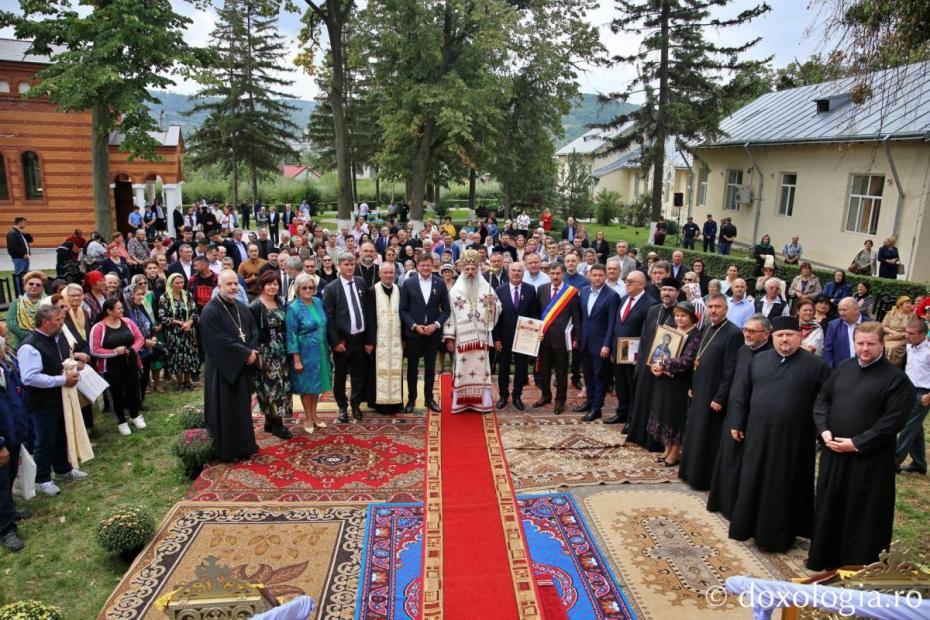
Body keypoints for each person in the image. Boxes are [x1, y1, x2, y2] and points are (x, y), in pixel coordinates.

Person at [807, 321, 913, 570]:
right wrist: (824, 430)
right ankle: (824, 556)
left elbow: (892, 422)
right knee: (829, 505)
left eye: (870, 344)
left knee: (862, 512)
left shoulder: (897, 380)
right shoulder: (844, 368)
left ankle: (858, 565)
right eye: (860, 343)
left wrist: (857, 443)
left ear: (881, 344)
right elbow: (822, 400)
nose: (864, 348)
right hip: (834, 453)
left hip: (869, 460)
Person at [727, 315, 831, 551]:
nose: (785, 339)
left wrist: (821, 431)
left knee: (784, 486)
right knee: (754, 480)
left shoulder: (816, 366)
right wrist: (737, 422)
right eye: (780, 335)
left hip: (794, 439)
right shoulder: (759, 360)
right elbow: (743, 394)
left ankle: (781, 536)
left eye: (790, 335)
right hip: (758, 435)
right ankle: (749, 528)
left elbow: (825, 402)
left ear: (800, 337)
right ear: (772, 337)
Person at [17, 305, 89, 497]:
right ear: (45, 322)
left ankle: (63, 469)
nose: (61, 323)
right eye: (58, 320)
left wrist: (74, 367)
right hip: (41, 402)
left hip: (61, 398)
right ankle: (42, 479)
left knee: (61, 434)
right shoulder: (30, 346)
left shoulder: (57, 339)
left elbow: (61, 360)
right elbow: (30, 377)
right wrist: (62, 380)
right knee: (45, 439)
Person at [707, 313, 772, 518]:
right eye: (745, 330)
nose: (747, 334)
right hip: (734, 411)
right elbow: (734, 377)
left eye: (752, 331)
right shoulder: (743, 350)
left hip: (753, 417)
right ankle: (725, 502)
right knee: (728, 459)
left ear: (766, 334)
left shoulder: (769, 355)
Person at [677, 293, 743, 489]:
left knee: (707, 434)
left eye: (718, 307)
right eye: (710, 306)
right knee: (695, 431)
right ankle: (689, 472)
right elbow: (697, 360)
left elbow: (731, 370)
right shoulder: (705, 327)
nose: (713, 310)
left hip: (714, 394)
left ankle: (703, 478)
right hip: (700, 389)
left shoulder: (733, 333)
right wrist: (692, 385)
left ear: (726, 309)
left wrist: (719, 397)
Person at [200, 270, 260, 462]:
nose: (233, 287)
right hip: (222, 369)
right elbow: (218, 341)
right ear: (219, 287)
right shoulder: (210, 311)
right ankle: (228, 450)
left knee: (242, 409)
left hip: (241, 365)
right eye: (229, 284)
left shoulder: (242, 307)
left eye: (236, 283)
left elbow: (252, 331)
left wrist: (252, 351)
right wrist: (245, 353)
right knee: (226, 409)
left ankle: (245, 445)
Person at [442, 250, 502, 413]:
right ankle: (461, 403)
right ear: (462, 269)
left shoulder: (486, 286)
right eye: (467, 269)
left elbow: (498, 308)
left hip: (481, 337)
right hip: (463, 339)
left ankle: (480, 402)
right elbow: (449, 315)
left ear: (478, 269)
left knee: (481, 369)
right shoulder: (455, 290)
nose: (470, 272)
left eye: (473, 269)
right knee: (462, 369)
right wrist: (449, 337)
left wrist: (492, 305)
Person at [626, 278, 680, 451]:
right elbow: (644, 338)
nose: (667, 293)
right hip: (646, 364)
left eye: (671, 290)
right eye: (664, 289)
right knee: (643, 399)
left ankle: (656, 442)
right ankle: (639, 435)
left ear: (677, 293)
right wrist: (640, 363)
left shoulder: (681, 314)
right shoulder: (653, 310)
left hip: (667, 369)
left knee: (660, 404)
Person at [647, 302, 701, 466]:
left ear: (692, 318)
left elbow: (686, 362)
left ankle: (675, 451)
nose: (679, 318)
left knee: (675, 417)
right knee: (664, 413)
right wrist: (655, 367)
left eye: (683, 315)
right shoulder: (671, 331)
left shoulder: (695, 335)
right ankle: (667, 447)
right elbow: (657, 354)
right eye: (677, 315)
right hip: (664, 380)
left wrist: (663, 365)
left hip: (680, 383)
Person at [399, 253, 450, 414]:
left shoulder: (440, 283)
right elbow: (403, 310)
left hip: (432, 334)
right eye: (422, 265)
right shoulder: (408, 284)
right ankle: (411, 398)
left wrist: (436, 325)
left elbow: (446, 310)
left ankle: (429, 399)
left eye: (428, 264)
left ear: (432, 265)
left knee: (430, 368)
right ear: (417, 266)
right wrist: (414, 325)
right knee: (412, 368)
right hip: (414, 333)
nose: (426, 267)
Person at [324, 252, 371, 422]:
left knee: (359, 374)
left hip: (360, 339)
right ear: (338, 266)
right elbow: (328, 318)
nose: (350, 267)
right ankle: (342, 407)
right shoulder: (331, 288)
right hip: (343, 341)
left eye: (352, 264)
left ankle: (356, 405)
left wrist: (369, 340)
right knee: (341, 376)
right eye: (346, 264)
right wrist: (335, 341)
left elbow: (368, 311)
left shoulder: (360, 282)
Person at [606, 270, 657, 425]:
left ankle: (632, 418)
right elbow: (617, 325)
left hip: (635, 355)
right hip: (619, 351)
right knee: (620, 384)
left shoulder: (651, 304)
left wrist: (641, 355)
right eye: (626, 281)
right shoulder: (623, 300)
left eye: (630, 281)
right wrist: (613, 349)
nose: (626, 284)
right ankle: (622, 412)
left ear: (641, 284)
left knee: (632, 386)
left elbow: (649, 332)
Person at [89, 298, 145, 435]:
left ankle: (134, 415)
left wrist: (132, 349)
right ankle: (121, 421)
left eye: (122, 308)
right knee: (116, 393)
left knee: (134, 390)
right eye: (119, 308)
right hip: (111, 367)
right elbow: (94, 349)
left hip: (130, 362)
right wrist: (114, 352)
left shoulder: (128, 322)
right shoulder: (98, 328)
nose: (122, 310)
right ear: (109, 311)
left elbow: (140, 338)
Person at [249, 270, 293, 440]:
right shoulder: (255, 306)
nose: (273, 287)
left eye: (276, 284)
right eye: (269, 283)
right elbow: (251, 332)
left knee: (281, 386)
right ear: (262, 285)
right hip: (266, 353)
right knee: (271, 389)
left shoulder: (280, 303)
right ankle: (278, 425)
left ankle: (270, 421)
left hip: (281, 350)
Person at [532, 262, 580, 415]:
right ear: (549, 274)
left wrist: (576, 338)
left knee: (561, 372)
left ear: (563, 274)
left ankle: (560, 400)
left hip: (561, 339)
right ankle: (545, 396)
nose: (555, 276)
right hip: (544, 338)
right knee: (544, 371)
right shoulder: (542, 289)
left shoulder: (571, 293)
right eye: (552, 273)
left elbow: (576, 318)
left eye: (558, 273)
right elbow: (537, 314)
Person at [574, 265, 619, 421]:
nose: (597, 278)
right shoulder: (584, 291)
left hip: (601, 344)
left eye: (601, 275)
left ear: (605, 276)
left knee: (599, 376)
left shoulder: (612, 296)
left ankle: (596, 408)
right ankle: (590, 401)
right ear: (589, 275)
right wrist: (578, 338)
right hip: (585, 341)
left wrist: (607, 344)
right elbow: (582, 318)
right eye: (595, 275)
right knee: (587, 374)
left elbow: (612, 323)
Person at [493, 262, 538, 411]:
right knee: (503, 367)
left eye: (519, 271)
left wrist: (533, 336)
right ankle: (503, 395)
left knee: (521, 368)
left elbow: (534, 315)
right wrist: (496, 338)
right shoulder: (499, 290)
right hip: (504, 337)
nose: (516, 273)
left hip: (524, 338)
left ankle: (517, 396)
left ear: (523, 273)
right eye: (513, 270)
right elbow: (495, 317)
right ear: (508, 272)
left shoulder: (530, 290)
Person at [362, 262, 403, 415]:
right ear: (380, 274)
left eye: (391, 273)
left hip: (396, 338)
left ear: (395, 274)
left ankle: (396, 402)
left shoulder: (400, 290)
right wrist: (369, 341)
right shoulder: (373, 291)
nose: (388, 276)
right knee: (378, 370)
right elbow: (369, 318)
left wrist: (403, 338)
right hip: (379, 340)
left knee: (396, 369)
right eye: (385, 273)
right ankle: (379, 403)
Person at [0, 335, 28, 552]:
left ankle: (8, 509)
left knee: (9, 476)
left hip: (13, 431)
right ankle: (6, 529)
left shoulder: (6, 367)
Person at [895, 319, 930, 475]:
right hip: (909, 390)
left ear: (923, 335)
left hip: (923, 393)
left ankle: (893, 461)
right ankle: (919, 463)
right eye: (906, 332)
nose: (907, 336)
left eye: (911, 333)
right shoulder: (910, 346)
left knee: (908, 427)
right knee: (916, 429)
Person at [158, 273, 200, 390]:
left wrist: (189, 322)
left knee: (189, 355)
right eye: (177, 283)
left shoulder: (188, 295)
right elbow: (163, 317)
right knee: (177, 356)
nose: (180, 285)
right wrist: (180, 323)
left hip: (188, 331)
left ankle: (188, 381)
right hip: (174, 333)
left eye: (181, 282)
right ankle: (180, 383)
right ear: (171, 284)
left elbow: (195, 312)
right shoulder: (164, 297)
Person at [6, 271, 49, 349]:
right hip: (23, 342)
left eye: (38, 285)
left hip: (46, 341)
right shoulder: (16, 303)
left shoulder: (49, 302)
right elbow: (11, 324)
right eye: (31, 284)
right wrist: (31, 336)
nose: (34, 286)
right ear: (24, 286)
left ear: (42, 288)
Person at [823, 297, 864, 369]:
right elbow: (827, 350)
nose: (841, 313)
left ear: (856, 309)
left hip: (864, 370)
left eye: (844, 310)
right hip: (840, 370)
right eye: (839, 310)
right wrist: (830, 370)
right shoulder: (833, 325)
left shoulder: (870, 324)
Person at [6, 217, 32, 298]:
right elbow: (12, 247)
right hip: (19, 258)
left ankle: (25, 291)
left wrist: (26, 233)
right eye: (24, 223)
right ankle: (20, 293)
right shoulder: (12, 233)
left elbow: (30, 240)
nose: (25, 225)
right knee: (19, 275)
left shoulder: (20, 233)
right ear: (19, 223)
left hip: (25, 258)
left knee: (25, 275)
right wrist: (22, 254)